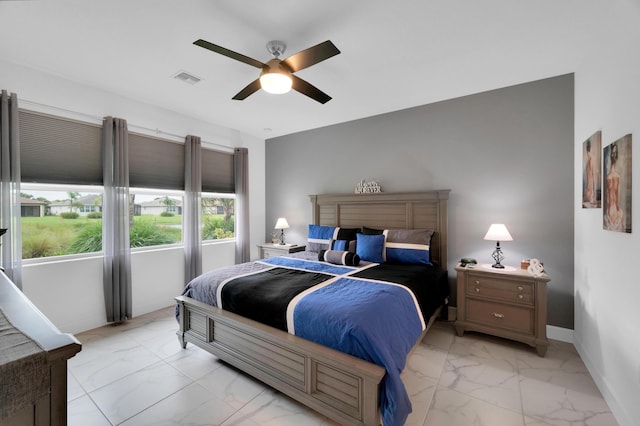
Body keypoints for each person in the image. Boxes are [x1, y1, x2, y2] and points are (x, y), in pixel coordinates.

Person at [604, 142, 624, 231]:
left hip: (609, 212)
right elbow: (618, 203)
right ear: (616, 158)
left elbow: (608, 202)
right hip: (615, 212)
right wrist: (619, 211)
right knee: (622, 213)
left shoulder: (607, 177)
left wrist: (608, 213)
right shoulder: (618, 177)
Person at [584, 139, 596, 205]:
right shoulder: (589, 159)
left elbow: (593, 175)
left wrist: (594, 192)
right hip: (588, 188)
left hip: (590, 189)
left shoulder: (591, 159)